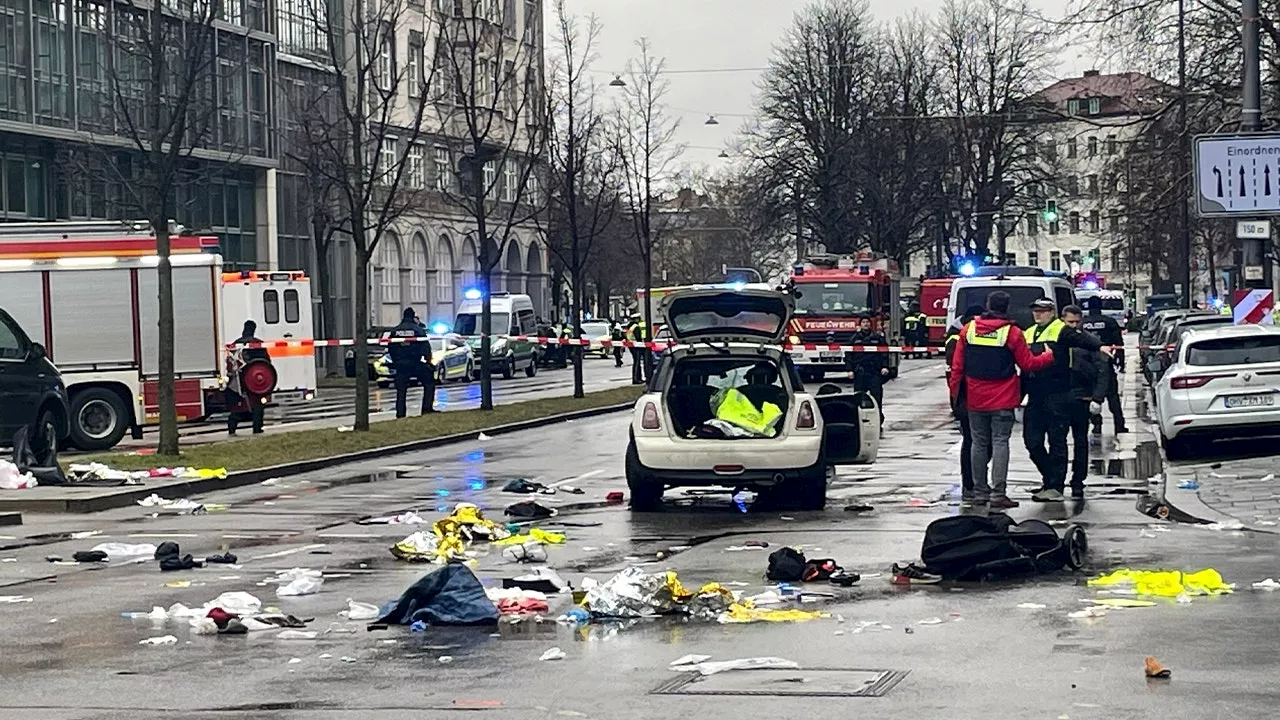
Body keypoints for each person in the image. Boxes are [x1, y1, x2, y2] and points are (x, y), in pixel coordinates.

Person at [948, 291, 1057, 512]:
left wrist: (955, 394)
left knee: (978, 444)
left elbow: (957, 367)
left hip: (975, 397)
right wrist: (1048, 356)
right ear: (1007, 307)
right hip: (1003, 397)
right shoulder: (1012, 333)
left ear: (988, 305)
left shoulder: (969, 330)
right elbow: (1028, 364)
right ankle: (999, 494)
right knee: (1000, 443)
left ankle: (979, 492)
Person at [1022, 298, 1110, 503]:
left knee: (1058, 441)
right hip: (1035, 395)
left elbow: (1084, 341)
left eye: (1042, 311)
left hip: (1058, 394)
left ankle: (1058, 486)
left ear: (1052, 312)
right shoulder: (1029, 332)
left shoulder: (1060, 329)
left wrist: (1100, 346)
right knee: (1032, 441)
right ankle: (1050, 478)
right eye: (1035, 310)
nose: (1038, 314)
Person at [1061, 305, 1109, 499]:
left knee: (1080, 441)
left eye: (1076, 322)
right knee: (1058, 442)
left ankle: (1077, 481)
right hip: (1062, 397)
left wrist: (1097, 398)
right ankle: (1056, 480)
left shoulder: (1088, 342)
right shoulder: (1060, 338)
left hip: (1083, 397)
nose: (1073, 326)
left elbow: (1102, 370)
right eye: (1069, 322)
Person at [945, 304, 985, 507]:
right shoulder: (956, 338)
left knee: (978, 442)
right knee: (972, 441)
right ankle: (970, 483)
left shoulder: (964, 334)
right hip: (965, 398)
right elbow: (955, 370)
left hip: (976, 396)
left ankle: (975, 481)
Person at [1081, 296, 1129, 435]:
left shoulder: (1083, 323)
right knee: (1112, 396)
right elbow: (1118, 343)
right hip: (1106, 361)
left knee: (1092, 395)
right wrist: (1120, 359)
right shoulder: (1109, 322)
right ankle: (1119, 425)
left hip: (1087, 365)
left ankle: (1096, 423)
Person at [385, 307, 435, 418]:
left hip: (401, 364)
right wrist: (428, 361)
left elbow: (390, 347)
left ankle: (400, 413)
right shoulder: (418, 330)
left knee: (401, 390)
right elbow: (425, 347)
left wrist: (396, 361)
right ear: (413, 316)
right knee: (429, 383)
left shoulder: (395, 331)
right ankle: (427, 409)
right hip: (415, 363)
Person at [226, 320, 271, 435]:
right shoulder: (258, 344)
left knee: (237, 408)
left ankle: (232, 428)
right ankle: (257, 428)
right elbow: (267, 363)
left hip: (238, 381)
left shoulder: (236, 344)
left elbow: (230, 363)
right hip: (256, 383)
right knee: (258, 407)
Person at [847, 316, 888, 433]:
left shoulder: (877, 338)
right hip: (860, 372)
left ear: (870, 324)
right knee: (859, 398)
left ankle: (878, 420)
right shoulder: (854, 339)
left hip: (874, 371)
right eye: (863, 322)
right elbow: (849, 356)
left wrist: (885, 367)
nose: (865, 324)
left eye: (867, 322)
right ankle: (859, 420)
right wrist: (849, 370)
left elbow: (884, 353)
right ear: (860, 325)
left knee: (876, 398)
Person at [626, 315, 648, 384]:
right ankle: (636, 379)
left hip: (631, 346)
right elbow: (638, 338)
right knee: (637, 363)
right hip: (636, 346)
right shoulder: (636, 327)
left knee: (636, 362)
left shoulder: (630, 326)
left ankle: (637, 378)